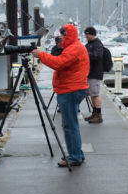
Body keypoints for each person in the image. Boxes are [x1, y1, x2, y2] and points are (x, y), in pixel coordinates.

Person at [32, 24, 89, 167]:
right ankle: (76, 154)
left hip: (70, 90)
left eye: (63, 34)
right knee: (71, 124)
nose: (61, 37)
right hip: (71, 88)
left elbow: (58, 63)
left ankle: (75, 156)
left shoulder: (74, 48)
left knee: (70, 125)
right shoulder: (74, 47)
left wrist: (41, 55)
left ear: (69, 35)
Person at [84, 26, 104, 123]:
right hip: (89, 72)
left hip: (95, 72)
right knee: (92, 94)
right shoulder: (89, 44)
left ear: (92, 34)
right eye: (86, 34)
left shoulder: (97, 44)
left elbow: (98, 56)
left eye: (87, 34)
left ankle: (98, 115)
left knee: (95, 94)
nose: (86, 36)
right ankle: (94, 113)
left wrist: (86, 54)